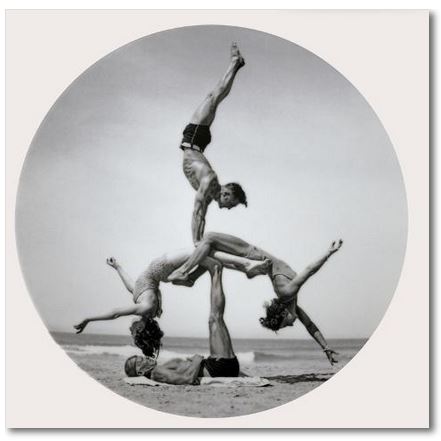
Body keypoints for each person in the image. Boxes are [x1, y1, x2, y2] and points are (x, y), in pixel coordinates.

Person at [168, 233, 343, 344]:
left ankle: (187, 274)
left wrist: (329, 253)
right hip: (251, 255)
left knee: (208, 239)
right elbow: (310, 325)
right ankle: (188, 276)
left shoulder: (288, 294)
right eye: (286, 325)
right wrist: (325, 347)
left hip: (250, 255)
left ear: (284, 313)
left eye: (286, 325)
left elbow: (309, 271)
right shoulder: (290, 297)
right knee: (207, 243)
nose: (291, 324)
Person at [73, 249, 270, 336]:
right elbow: (115, 313)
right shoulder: (145, 308)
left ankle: (246, 268)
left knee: (209, 259)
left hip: (164, 273)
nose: (131, 327)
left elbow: (131, 286)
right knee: (201, 250)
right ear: (142, 326)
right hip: (162, 267)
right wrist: (88, 319)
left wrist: (117, 267)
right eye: (134, 329)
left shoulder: (142, 302)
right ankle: (247, 265)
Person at [124, 261, 240, 384]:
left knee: (215, 319)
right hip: (217, 368)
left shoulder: (158, 370)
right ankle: (214, 270)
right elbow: (186, 379)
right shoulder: (157, 372)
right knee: (215, 318)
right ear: (140, 372)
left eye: (141, 358)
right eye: (141, 361)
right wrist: (196, 360)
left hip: (217, 367)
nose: (145, 359)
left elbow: (183, 374)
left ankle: (214, 270)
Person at [180, 42, 248, 244]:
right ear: (227, 194)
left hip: (197, 144)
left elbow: (201, 215)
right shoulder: (210, 181)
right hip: (194, 140)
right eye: (232, 204)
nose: (228, 208)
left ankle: (236, 64)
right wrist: (196, 242)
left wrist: (200, 241)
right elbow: (197, 210)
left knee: (216, 97)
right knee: (214, 95)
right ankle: (235, 63)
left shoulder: (210, 192)